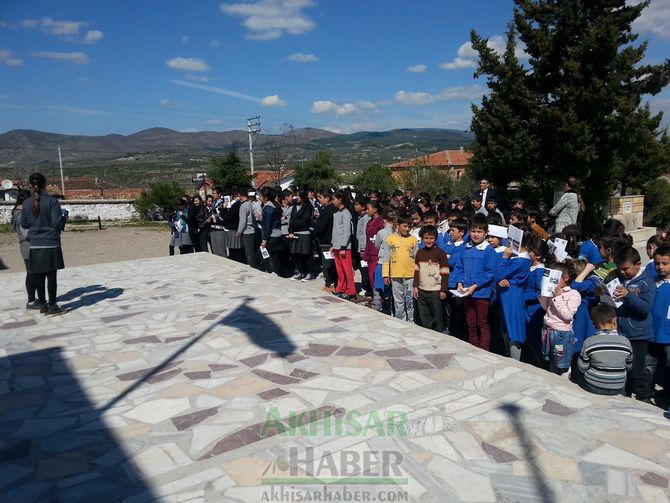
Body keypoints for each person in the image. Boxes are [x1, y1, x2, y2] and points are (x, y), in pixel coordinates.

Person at [613, 246, 656, 402]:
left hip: (638, 335)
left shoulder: (647, 282)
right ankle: (626, 397)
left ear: (638, 264)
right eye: (620, 269)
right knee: (625, 370)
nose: (622, 272)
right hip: (622, 333)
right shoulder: (620, 279)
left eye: (626, 269)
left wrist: (628, 295)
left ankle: (644, 398)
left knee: (638, 371)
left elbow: (645, 308)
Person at [21, 172, 67, 315]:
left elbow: (24, 223)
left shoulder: (27, 202)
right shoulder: (52, 201)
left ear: (30, 185)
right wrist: (64, 217)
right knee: (51, 277)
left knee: (38, 276)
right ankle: (52, 305)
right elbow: (56, 222)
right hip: (51, 243)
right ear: (45, 184)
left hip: (35, 244)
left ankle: (42, 305)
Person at [571, 304, 633, 396]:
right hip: (618, 387)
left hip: (593, 386)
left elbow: (582, 368)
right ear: (614, 320)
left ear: (594, 325)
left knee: (576, 370)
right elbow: (629, 367)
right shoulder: (626, 342)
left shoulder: (589, 342)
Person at [455, 214, 496, 351]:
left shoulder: (488, 250)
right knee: (470, 321)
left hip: (481, 293)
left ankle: (484, 349)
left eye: (479, 231)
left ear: (485, 233)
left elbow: (490, 272)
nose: (476, 234)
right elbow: (459, 267)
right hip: (466, 292)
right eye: (473, 231)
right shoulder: (465, 248)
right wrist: (459, 282)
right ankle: (473, 347)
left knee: (482, 322)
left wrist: (475, 285)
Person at [496, 232, 534, 360]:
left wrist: (505, 257)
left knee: (513, 328)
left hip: (512, 294)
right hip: (506, 292)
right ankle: (508, 354)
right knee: (506, 326)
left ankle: (514, 360)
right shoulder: (516, 257)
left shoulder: (521, 260)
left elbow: (500, 273)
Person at [539, 261, 581, 374]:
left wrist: (557, 298)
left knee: (562, 362)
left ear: (566, 277)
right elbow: (545, 307)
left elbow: (567, 315)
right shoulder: (553, 292)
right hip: (548, 330)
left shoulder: (574, 294)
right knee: (551, 359)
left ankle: (564, 382)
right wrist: (544, 294)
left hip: (561, 334)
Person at [412, 225, 449, 332]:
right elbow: (416, 271)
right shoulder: (419, 253)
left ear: (436, 239)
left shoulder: (440, 253)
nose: (428, 241)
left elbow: (445, 273)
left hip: (435, 292)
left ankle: (438, 335)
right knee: (424, 316)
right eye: (426, 238)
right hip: (422, 290)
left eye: (431, 238)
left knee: (437, 317)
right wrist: (415, 286)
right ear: (422, 239)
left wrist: (443, 290)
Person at [383, 215, 418, 322]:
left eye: (409, 227)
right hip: (395, 275)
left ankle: (411, 320)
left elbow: (417, 258)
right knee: (398, 301)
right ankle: (401, 321)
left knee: (409, 300)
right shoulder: (389, 239)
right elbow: (386, 258)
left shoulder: (413, 240)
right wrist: (385, 274)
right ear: (397, 225)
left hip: (410, 275)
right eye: (404, 226)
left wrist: (417, 275)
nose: (407, 229)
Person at [11, 189, 38, 309]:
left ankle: (32, 298)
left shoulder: (18, 213)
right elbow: (27, 233)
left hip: (27, 247)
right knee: (32, 274)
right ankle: (31, 301)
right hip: (28, 247)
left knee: (32, 273)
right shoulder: (21, 215)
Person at [331, 191, 356, 299]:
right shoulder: (336, 213)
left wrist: (343, 246)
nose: (332, 201)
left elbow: (347, 231)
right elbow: (335, 230)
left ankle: (350, 292)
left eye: (334, 199)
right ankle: (340, 288)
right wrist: (333, 245)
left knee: (347, 270)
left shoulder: (346, 213)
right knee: (340, 270)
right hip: (336, 245)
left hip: (344, 247)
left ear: (340, 199)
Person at [652, 246, 670, 394]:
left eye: (665, 263)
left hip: (668, 335)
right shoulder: (651, 282)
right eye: (657, 263)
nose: (660, 267)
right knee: (649, 366)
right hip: (651, 333)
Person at [313, 190, 337, 290]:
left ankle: (329, 284)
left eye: (321, 197)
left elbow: (320, 227)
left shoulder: (328, 210)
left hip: (327, 241)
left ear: (327, 198)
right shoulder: (334, 209)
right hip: (333, 240)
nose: (319, 199)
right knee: (333, 264)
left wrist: (316, 234)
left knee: (327, 264)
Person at [288, 189, 314, 280]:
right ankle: (301, 271)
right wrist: (291, 230)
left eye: (298, 195)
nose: (296, 197)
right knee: (297, 254)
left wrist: (294, 225)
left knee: (305, 254)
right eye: (296, 195)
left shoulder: (308, 207)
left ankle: (309, 273)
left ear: (303, 196)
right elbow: (291, 219)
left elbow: (304, 220)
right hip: (295, 233)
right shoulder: (295, 206)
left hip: (304, 233)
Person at [259, 187, 283, 275]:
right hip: (278, 233)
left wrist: (264, 240)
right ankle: (277, 272)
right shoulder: (275, 204)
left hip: (272, 235)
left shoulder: (268, 208)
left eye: (261, 196)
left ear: (266, 197)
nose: (259, 198)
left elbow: (267, 225)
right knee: (275, 255)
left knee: (264, 254)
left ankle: (271, 271)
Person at [237, 189, 260, 269]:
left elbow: (243, 221)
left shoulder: (243, 206)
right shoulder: (250, 203)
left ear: (239, 195)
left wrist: (239, 232)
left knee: (249, 253)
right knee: (251, 251)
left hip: (247, 231)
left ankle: (253, 268)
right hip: (252, 229)